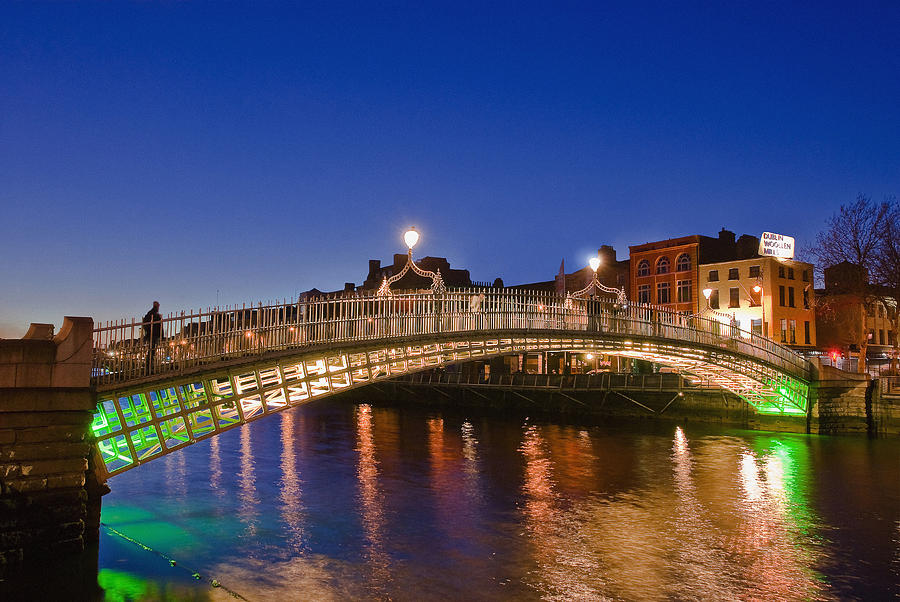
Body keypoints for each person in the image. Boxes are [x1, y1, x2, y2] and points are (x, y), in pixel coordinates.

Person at [143, 301, 163, 373]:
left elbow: (145, 324)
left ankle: (149, 367)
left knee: (151, 351)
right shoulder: (155, 315)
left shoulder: (150, 314)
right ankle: (149, 368)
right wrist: (161, 336)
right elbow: (159, 326)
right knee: (152, 352)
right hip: (153, 335)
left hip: (150, 335)